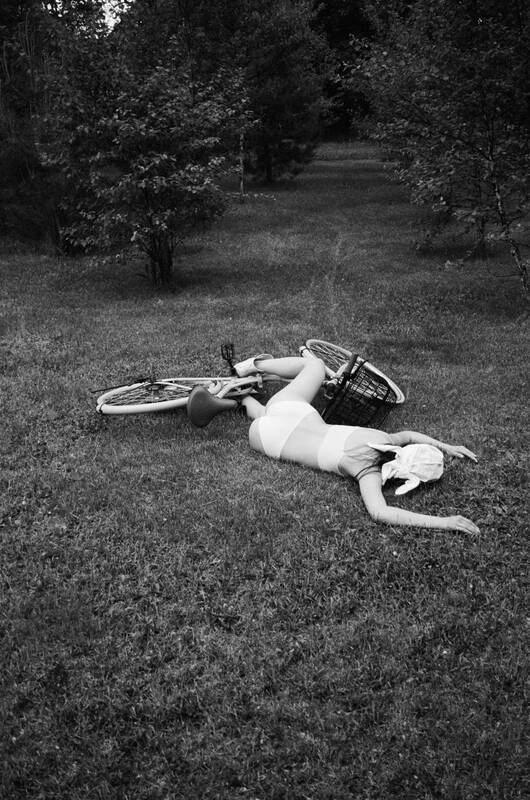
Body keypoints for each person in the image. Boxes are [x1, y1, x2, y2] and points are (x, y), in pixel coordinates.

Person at [188, 354, 480, 533]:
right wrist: (444, 522)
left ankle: (251, 367)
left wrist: (446, 446)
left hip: (291, 410)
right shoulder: (367, 472)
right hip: (268, 438)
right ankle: (239, 400)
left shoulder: (384, 440)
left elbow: (410, 435)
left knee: (314, 365)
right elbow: (381, 513)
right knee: (264, 418)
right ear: (407, 480)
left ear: (406, 451)